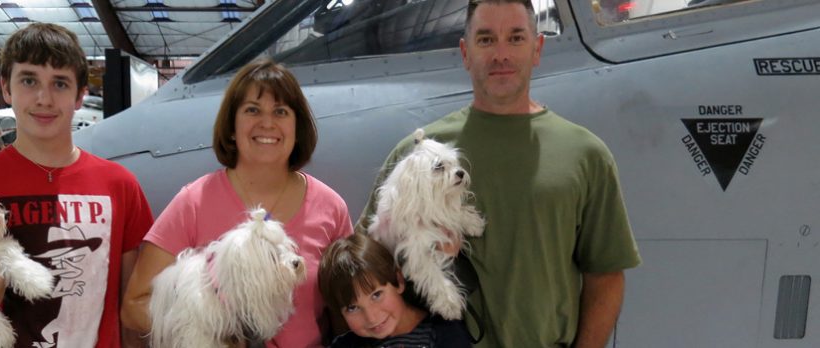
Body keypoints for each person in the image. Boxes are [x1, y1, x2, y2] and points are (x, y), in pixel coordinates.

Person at [355, 1, 642, 347]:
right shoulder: (415, 157)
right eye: (487, 40)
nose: (501, 54)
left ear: (537, 50)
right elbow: (362, 266)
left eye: (516, 38)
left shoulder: (586, 155)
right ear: (465, 52)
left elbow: (606, 274)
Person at [121, 58, 353, 347]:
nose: (267, 123)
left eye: (281, 111)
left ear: (297, 127)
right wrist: (214, 331)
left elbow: (350, 307)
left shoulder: (331, 208)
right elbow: (134, 306)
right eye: (252, 110)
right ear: (232, 126)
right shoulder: (193, 202)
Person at [0, 22, 154, 348]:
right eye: (29, 80)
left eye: (60, 84)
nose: (43, 98)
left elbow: (130, 305)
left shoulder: (119, 186)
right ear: (6, 88)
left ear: (80, 96)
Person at [319, 233, 472, 347]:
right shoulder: (346, 345)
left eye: (376, 295)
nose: (371, 318)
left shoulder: (445, 332)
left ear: (398, 281)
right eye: (352, 308)